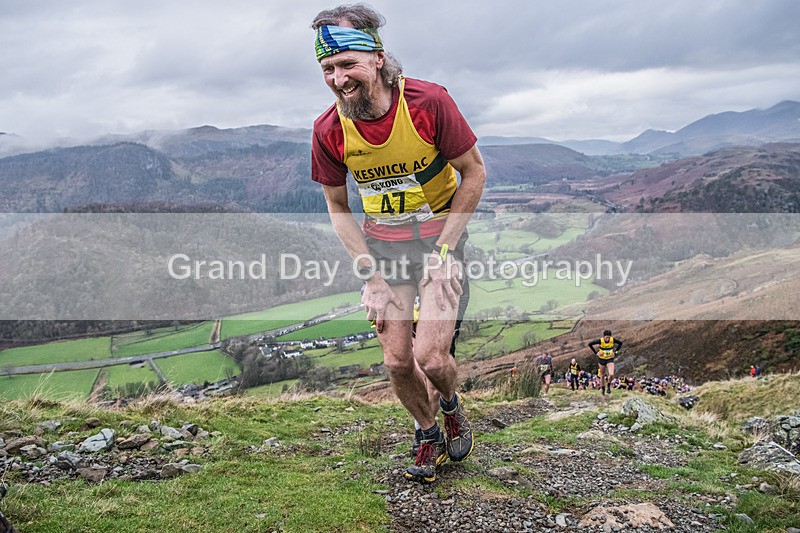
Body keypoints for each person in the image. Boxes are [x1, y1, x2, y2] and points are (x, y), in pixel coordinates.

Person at [310, 4, 486, 484]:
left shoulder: (428, 102)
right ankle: (426, 431)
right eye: (327, 68)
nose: (338, 78)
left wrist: (446, 254)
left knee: (432, 356)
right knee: (396, 360)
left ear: (378, 59)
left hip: (438, 242)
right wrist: (368, 274)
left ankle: (449, 404)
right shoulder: (328, 130)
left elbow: (473, 173)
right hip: (384, 251)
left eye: (348, 64)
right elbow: (337, 206)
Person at [588, 329, 622, 395]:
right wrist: (596, 353)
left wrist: (615, 352)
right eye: (606, 337)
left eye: (608, 337)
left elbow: (620, 343)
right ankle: (603, 388)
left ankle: (608, 385)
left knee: (611, 374)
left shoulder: (612, 340)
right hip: (601, 359)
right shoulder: (600, 341)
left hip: (609, 359)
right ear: (604, 337)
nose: (607, 339)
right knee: (602, 375)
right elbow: (590, 344)